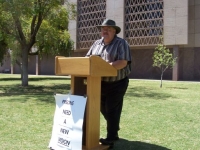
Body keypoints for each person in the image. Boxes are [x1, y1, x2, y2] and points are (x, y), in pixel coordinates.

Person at [86, 19, 132, 148]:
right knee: (103, 108)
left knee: (111, 109)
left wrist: (105, 67)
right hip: (99, 83)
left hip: (117, 83)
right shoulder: (96, 43)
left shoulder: (121, 43)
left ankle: (111, 137)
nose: (105, 31)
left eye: (108, 29)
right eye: (103, 29)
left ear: (114, 31)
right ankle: (114, 128)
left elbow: (123, 62)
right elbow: (87, 59)